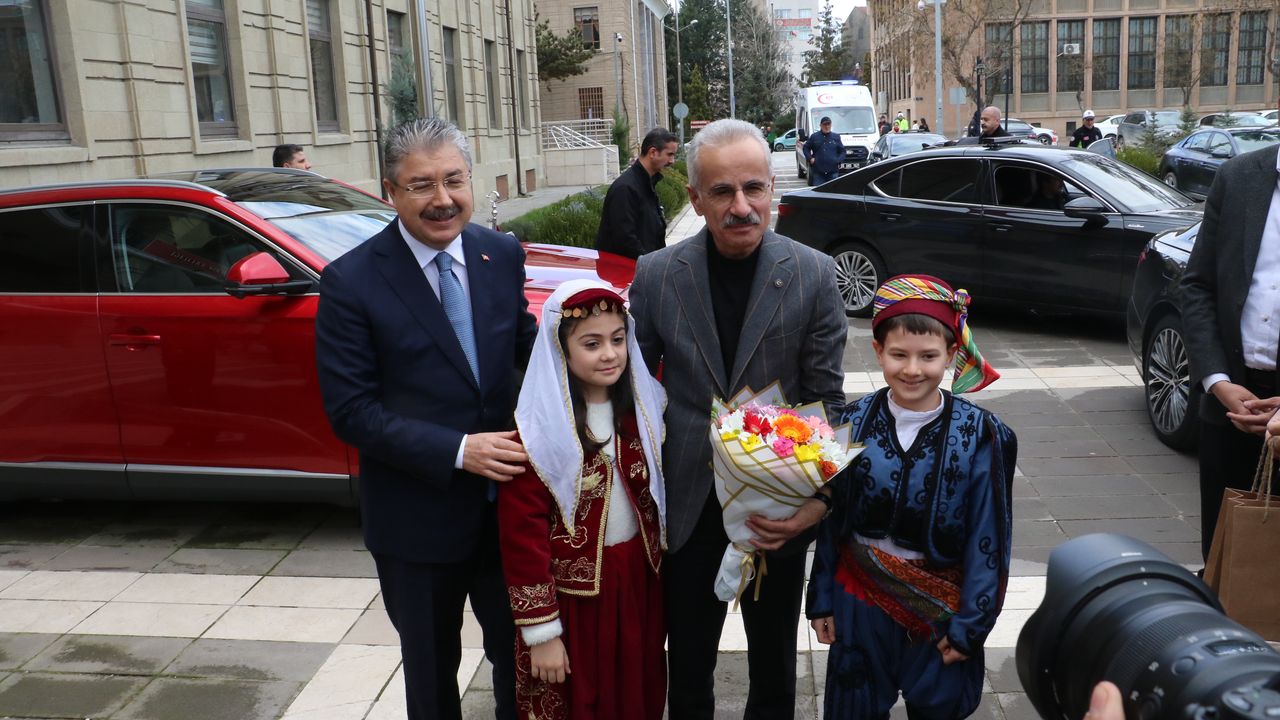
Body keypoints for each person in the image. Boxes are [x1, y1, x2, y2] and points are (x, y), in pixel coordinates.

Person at [314, 118, 538, 720]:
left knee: (523, 662)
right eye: (421, 185)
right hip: (416, 522)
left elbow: (527, 355)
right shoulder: (350, 282)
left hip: (509, 513)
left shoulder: (500, 254)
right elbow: (352, 411)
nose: (443, 199)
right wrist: (459, 450)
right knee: (432, 675)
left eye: (454, 180)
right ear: (390, 191)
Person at [629, 118, 848, 720]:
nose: (742, 206)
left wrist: (816, 505)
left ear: (772, 188)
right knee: (688, 668)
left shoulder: (812, 274)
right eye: (722, 191)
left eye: (754, 188)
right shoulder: (656, 276)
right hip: (688, 504)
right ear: (695, 197)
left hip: (778, 509)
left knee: (775, 672)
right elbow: (634, 396)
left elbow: (828, 401)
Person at [807, 274, 1014, 720]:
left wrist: (971, 625)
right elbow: (833, 518)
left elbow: (989, 538)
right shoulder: (852, 422)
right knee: (856, 707)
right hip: (859, 598)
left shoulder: (979, 434)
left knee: (938, 709)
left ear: (951, 355)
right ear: (878, 350)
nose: (912, 369)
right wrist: (821, 596)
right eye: (899, 354)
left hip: (942, 609)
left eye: (928, 356)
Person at [499, 279, 668, 719]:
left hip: (636, 585)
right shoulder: (538, 432)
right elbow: (521, 534)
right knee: (580, 698)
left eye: (617, 339)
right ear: (561, 350)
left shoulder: (643, 414)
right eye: (592, 344)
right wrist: (542, 630)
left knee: (633, 691)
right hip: (573, 602)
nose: (609, 354)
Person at [1180, 140, 1280, 561]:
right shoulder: (1238, 176)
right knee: (1224, 560)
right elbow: (1197, 285)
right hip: (1230, 405)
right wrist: (1217, 380)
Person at [595, 127, 679, 260]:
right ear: (653, 152)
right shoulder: (625, 188)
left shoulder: (646, 183)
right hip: (626, 270)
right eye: (669, 154)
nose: (672, 161)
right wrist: (649, 265)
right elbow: (625, 240)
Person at [802, 115, 846, 187]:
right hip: (818, 172)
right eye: (825, 124)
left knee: (832, 192)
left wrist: (838, 160)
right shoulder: (814, 137)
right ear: (820, 125)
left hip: (833, 172)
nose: (827, 126)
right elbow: (806, 148)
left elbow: (843, 151)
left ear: (831, 125)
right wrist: (810, 158)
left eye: (829, 124)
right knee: (819, 192)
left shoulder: (836, 137)